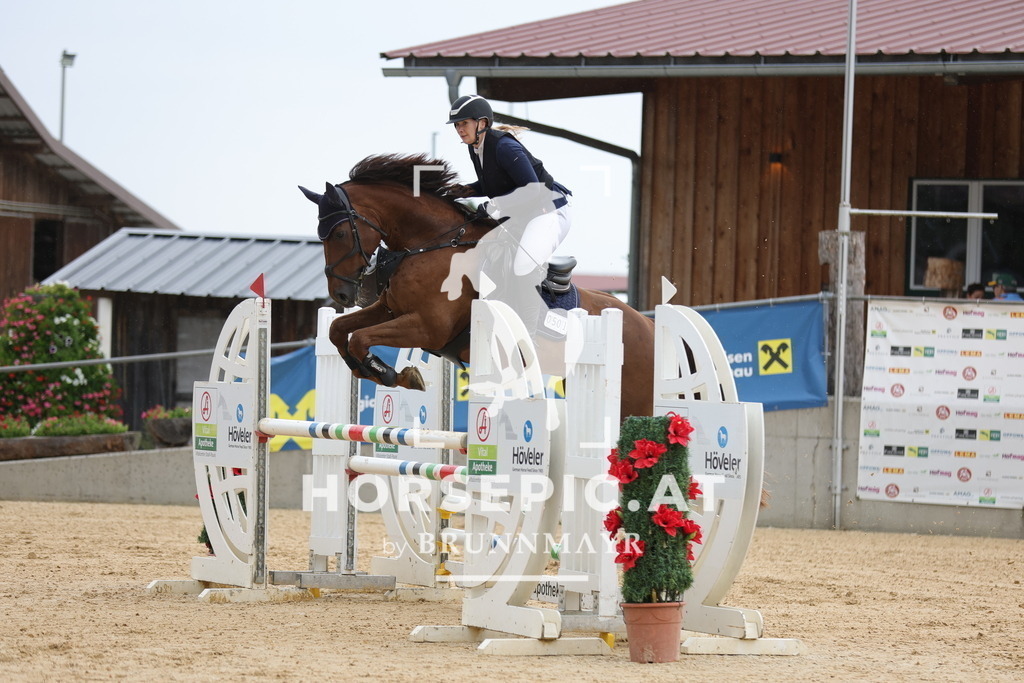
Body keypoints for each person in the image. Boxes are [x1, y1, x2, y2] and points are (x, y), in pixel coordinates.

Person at [445, 94, 573, 334]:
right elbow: (496, 182)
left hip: (549, 211)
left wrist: (496, 207)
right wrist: (467, 190)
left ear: (482, 123)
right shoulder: (476, 147)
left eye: (464, 123)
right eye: (457, 125)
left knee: (523, 266)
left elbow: (533, 190)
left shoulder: (504, 147)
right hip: (525, 212)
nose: (459, 129)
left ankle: (530, 336)